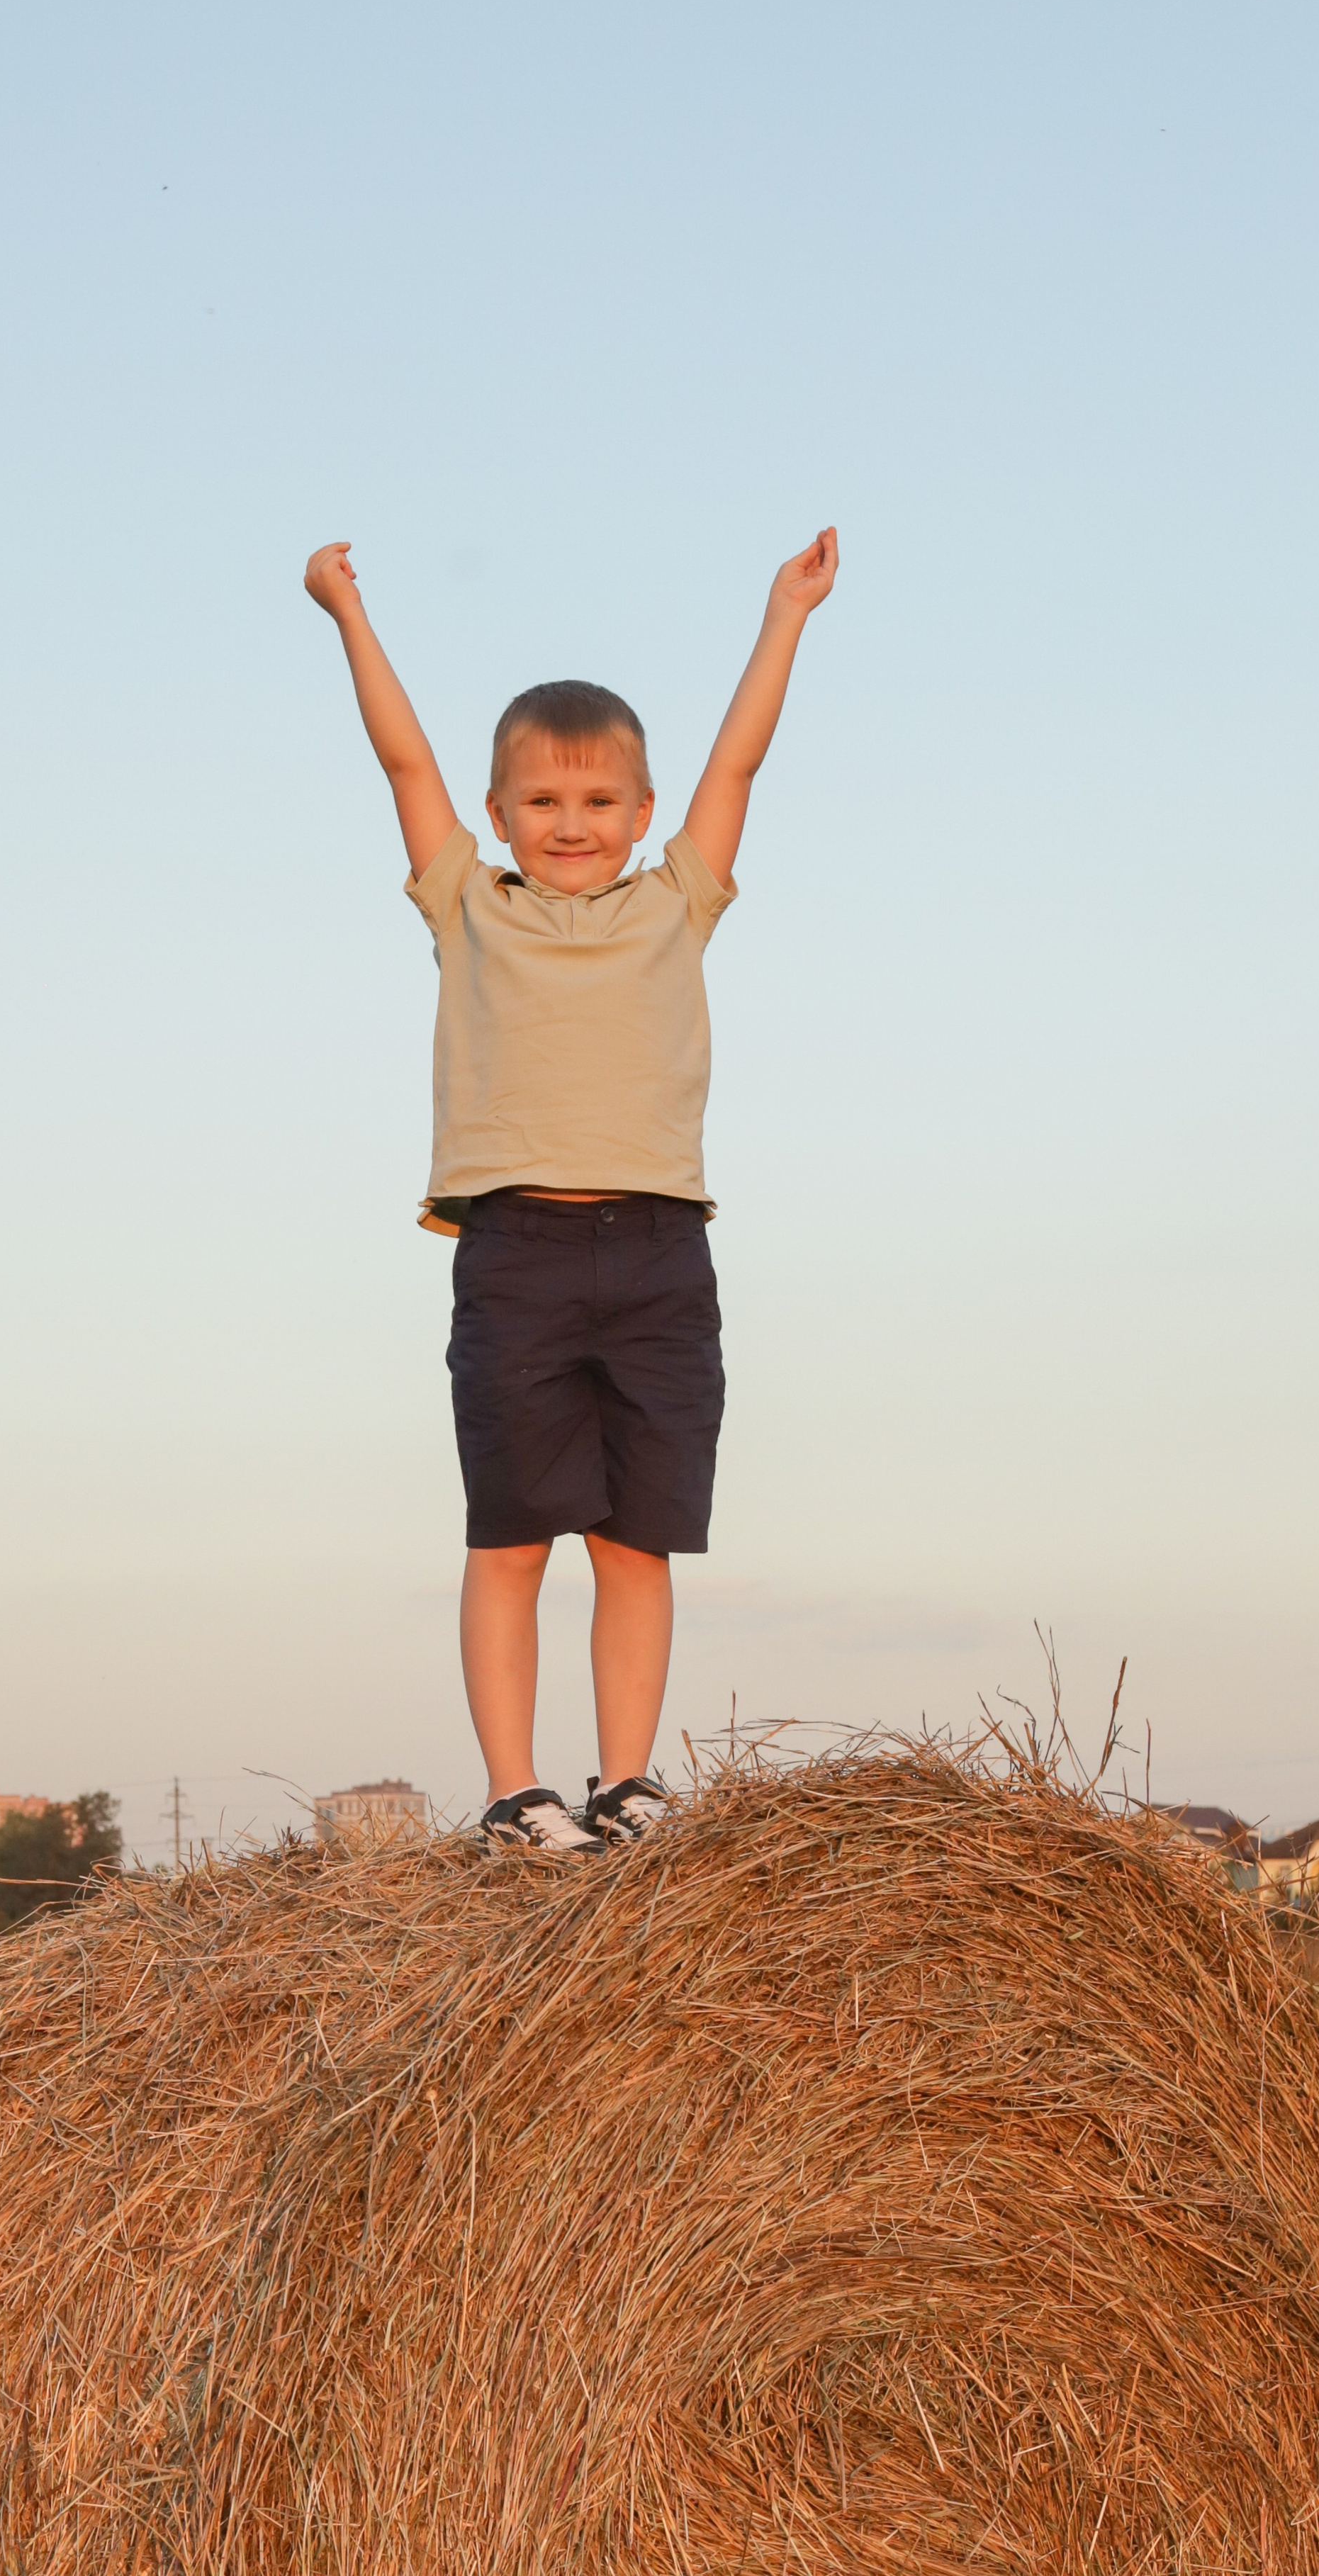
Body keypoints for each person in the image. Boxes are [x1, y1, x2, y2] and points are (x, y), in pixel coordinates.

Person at [305, 529, 838, 1852]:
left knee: (635, 1540)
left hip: (661, 1254)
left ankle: (626, 1784)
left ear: (641, 816)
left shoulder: (679, 905)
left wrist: (786, 614)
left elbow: (739, 759)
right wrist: (345, 612)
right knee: (512, 1537)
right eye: (542, 804)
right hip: (518, 1252)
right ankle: (513, 1794)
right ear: (501, 818)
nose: (572, 826)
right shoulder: (468, 908)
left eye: (600, 804)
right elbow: (405, 759)